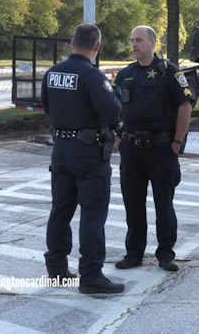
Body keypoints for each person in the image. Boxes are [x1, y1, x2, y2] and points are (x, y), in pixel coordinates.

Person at [41, 23, 125, 294]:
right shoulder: (92, 76)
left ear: (72, 42)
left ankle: (57, 271)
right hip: (89, 154)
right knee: (92, 215)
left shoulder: (52, 73)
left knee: (60, 211)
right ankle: (90, 275)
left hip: (61, 149)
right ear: (97, 47)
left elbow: (47, 106)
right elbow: (112, 113)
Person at [114, 25, 195, 272]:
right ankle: (134, 253)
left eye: (139, 40)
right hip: (131, 149)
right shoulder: (125, 74)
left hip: (162, 149)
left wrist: (177, 144)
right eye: (132, 40)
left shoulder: (168, 72)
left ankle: (166, 254)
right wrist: (118, 139)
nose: (134, 45)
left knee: (164, 205)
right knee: (133, 204)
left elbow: (185, 106)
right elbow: (112, 107)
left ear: (152, 42)